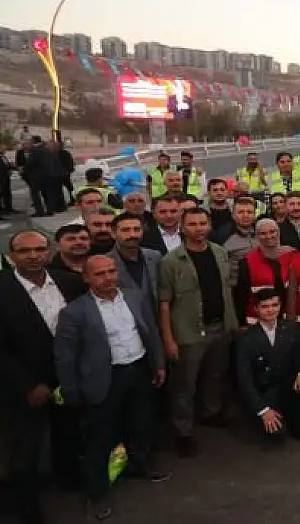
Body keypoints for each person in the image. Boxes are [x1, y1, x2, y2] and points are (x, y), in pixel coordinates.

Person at [54, 255, 170, 520]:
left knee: (141, 424)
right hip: (105, 379)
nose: (107, 278)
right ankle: (95, 493)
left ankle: (139, 465)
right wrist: (71, 390)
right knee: (100, 438)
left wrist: (159, 364)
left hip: (139, 370)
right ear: (86, 278)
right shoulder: (75, 312)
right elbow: (65, 356)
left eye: (111, 271)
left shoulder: (134, 296)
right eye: (99, 274)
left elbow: (150, 331)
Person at [0, 230, 87, 524]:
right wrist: (27, 385)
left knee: (67, 433)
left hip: (67, 376)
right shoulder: (3, 290)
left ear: (49, 252)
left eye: (40, 249)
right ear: (12, 257)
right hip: (26, 385)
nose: (34, 256)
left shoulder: (70, 283)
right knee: (26, 448)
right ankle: (25, 506)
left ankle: (68, 480)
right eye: (25, 251)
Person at [158, 208, 239, 457]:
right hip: (189, 332)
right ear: (182, 228)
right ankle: (182, 431)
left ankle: (209, 413)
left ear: (209, 225)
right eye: (192, 224)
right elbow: (164, 302)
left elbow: (227, 288)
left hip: (220, 326)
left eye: (202, 223)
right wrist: (169, 339)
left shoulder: (220, 252)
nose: (198, 228)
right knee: (185, 385)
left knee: (215, 375)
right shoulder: (170, 262)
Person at [235, 288, 300, 447]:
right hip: (264, 391)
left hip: (287, 385)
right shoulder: (246, 339)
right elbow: (244, 379)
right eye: (265, 306)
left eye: (274, 305)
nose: (271, 310)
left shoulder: (291, 328)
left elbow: (298, 355)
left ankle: (294, 415)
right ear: (256, 309)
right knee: (275, 438)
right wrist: (263, 410)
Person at [235, 219, 294, 327]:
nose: (268, 236)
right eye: (263, 233)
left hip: (284, 321)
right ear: (257, 236)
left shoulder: (290, 255)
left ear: (278, 232)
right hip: (256, 323)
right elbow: (241, 296)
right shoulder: (247, 261)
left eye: (272, 231)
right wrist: (242, 324)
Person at [107, 212, 163, 317]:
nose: (132, 235)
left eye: (137, 229)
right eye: (125, 230)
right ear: (113, 233)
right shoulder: (105, 262)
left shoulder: (155, 256)